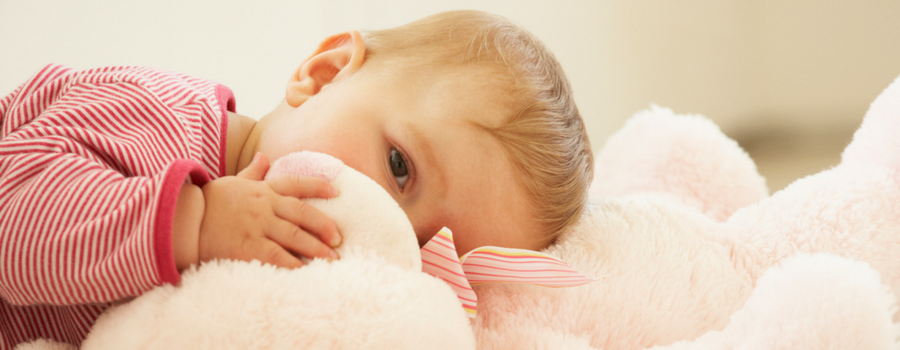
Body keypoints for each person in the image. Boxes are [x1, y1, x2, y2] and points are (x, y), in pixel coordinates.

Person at [0, 10, 592, 349]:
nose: (381, 228)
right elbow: (13, 215)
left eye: (425, 254)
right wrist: (197, 220)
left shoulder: (280, 298)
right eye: (398, 167)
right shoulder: (157, 117)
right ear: (324, 73)